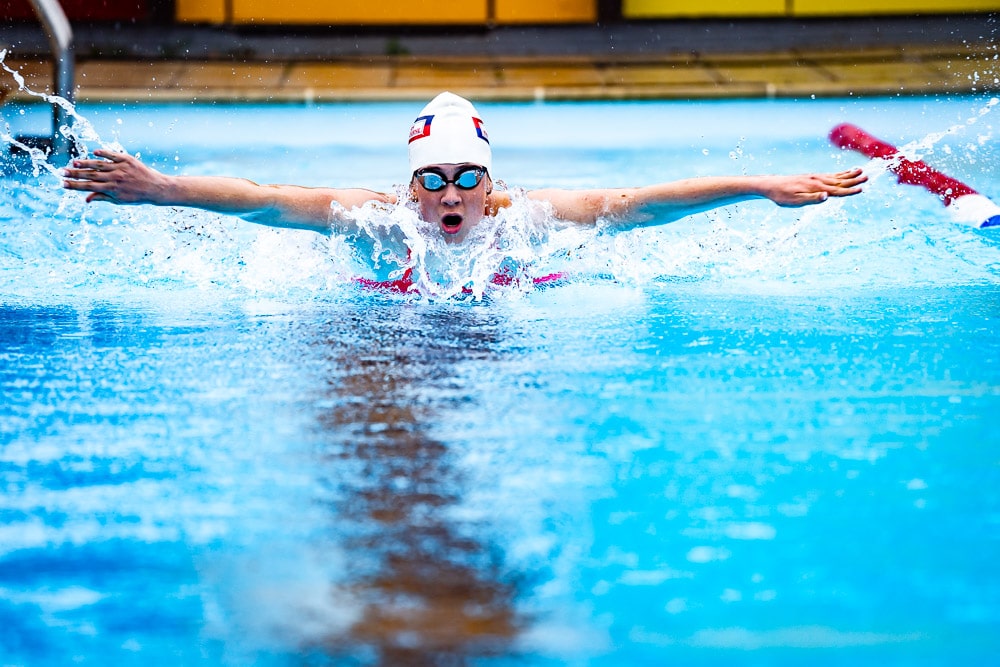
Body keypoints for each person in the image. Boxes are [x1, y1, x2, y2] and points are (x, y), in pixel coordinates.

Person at [61, 92, 866, 284]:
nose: (452, 194)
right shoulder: (378, 225)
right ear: (411, 191)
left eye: (467, 178)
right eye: (434, 181)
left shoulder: (532, 222)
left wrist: (761, 183)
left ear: (492, 184)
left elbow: (646, 202)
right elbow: (266, 198)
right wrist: (163, 187)